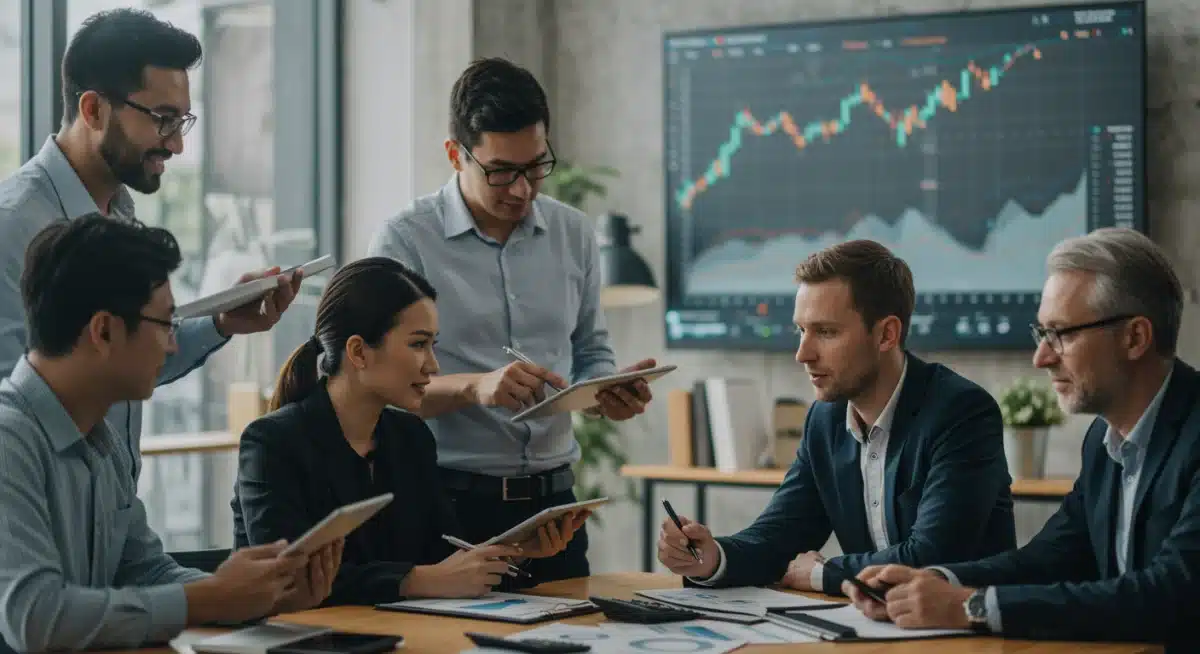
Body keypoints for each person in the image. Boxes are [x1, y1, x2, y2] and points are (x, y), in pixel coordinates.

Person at [366, 57, 654, 583]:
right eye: (501, 171)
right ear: (455, 154)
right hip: (446, 505)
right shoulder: (406, 239)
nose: (521, 189)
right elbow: (379, 386)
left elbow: (591, 350)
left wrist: (606, 393)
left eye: (536, 166)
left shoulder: (575, 233)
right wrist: (476, 387)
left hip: (553, 510)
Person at [842, 228, 1200, 645]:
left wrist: (969, 607)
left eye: (1061, 334)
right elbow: (1052, 558)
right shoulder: (1104, 441)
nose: (1041, 357)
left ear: (1134, 337)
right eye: (1041, 333)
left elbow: (1170, 594)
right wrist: (931, 582)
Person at [0, 215, 340, 653]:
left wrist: (261, 595)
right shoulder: (10, 442)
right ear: (104, 331)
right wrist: (211, 597)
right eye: (165, 324)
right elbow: (36, 618)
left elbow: (147, 571)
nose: (174, 345)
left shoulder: (102, 441)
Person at [0, 8, 300, 476]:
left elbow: (117, 363)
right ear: (93, 110)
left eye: (182, 121)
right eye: (163, 119)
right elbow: (15, 414)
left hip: (114, 523)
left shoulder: (119, 213)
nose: (177, 145)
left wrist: (220, 322)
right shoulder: (13, 227)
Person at [657, 240, 1016, 595]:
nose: (802, 354)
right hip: (875, 627)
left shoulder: (962, 412)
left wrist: (823, 574)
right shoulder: (825, 420)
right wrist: (711, 558)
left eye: (826, 332)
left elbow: (932, 557)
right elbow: (779, 537)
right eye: (801, 330)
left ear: (886, 334)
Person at [232, 257, 590, 604]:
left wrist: (520, 550)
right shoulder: (271, 443)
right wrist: (415, 580)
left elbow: (443, 556)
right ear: (358, 351)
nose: (433, 365)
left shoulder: (410, 436)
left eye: (433, 345)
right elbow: (289, 578)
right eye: (418, 344)